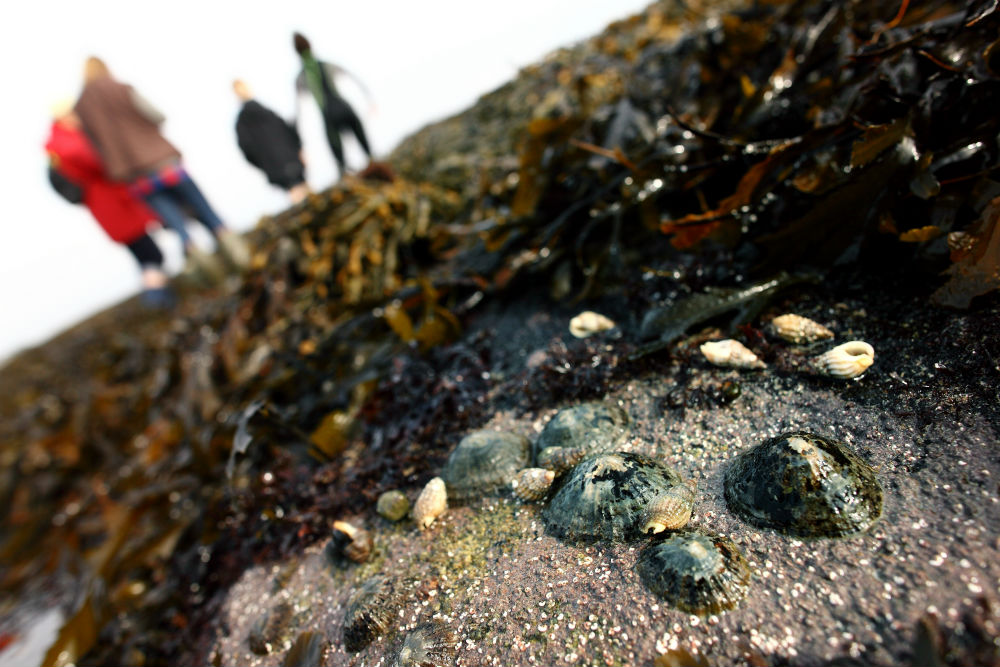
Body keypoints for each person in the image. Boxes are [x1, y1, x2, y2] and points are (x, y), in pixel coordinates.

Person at [73, 56, 248, 281]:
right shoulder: (120, 88)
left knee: (176, 224)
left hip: (134, 178)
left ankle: (201, 262)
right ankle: (236, 251)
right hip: (162, 163)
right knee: (204, 210)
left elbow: (94, 147)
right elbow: (156, 115)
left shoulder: (82, 109)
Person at [44, 102, 174, 307]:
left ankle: (158, 295)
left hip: (109, 205)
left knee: (144, 253)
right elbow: (92, 161)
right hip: (111, 204)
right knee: (150, 253)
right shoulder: (66, 142)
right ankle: (155, 296)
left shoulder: (58, 144)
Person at [292, 32, 374, 177]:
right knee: (367, 149)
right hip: (344, 108)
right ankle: (374, 164)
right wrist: (369, 100)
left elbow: (299, 111)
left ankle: (346, 175)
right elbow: (354, 77)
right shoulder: (326, 65)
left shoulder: (301, 77)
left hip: (329, 116)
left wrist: (299, 142)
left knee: (340, 160)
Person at [233, 79, 311, 204]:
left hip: (289, 162)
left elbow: (287, 129)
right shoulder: (244, 122)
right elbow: (247, 149)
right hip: (281, 167)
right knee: (300, 195)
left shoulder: (261, 113)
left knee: (305, 194)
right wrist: (266, 165)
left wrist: (299, 149)